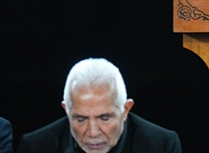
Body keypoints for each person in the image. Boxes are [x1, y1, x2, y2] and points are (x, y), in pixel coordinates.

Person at [17, 58, 181, 153]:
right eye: (80, 119)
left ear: (125, 110)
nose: (93, 132)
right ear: (66, 110)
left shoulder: (161, 145)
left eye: (104, 118)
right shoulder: (35, 147)